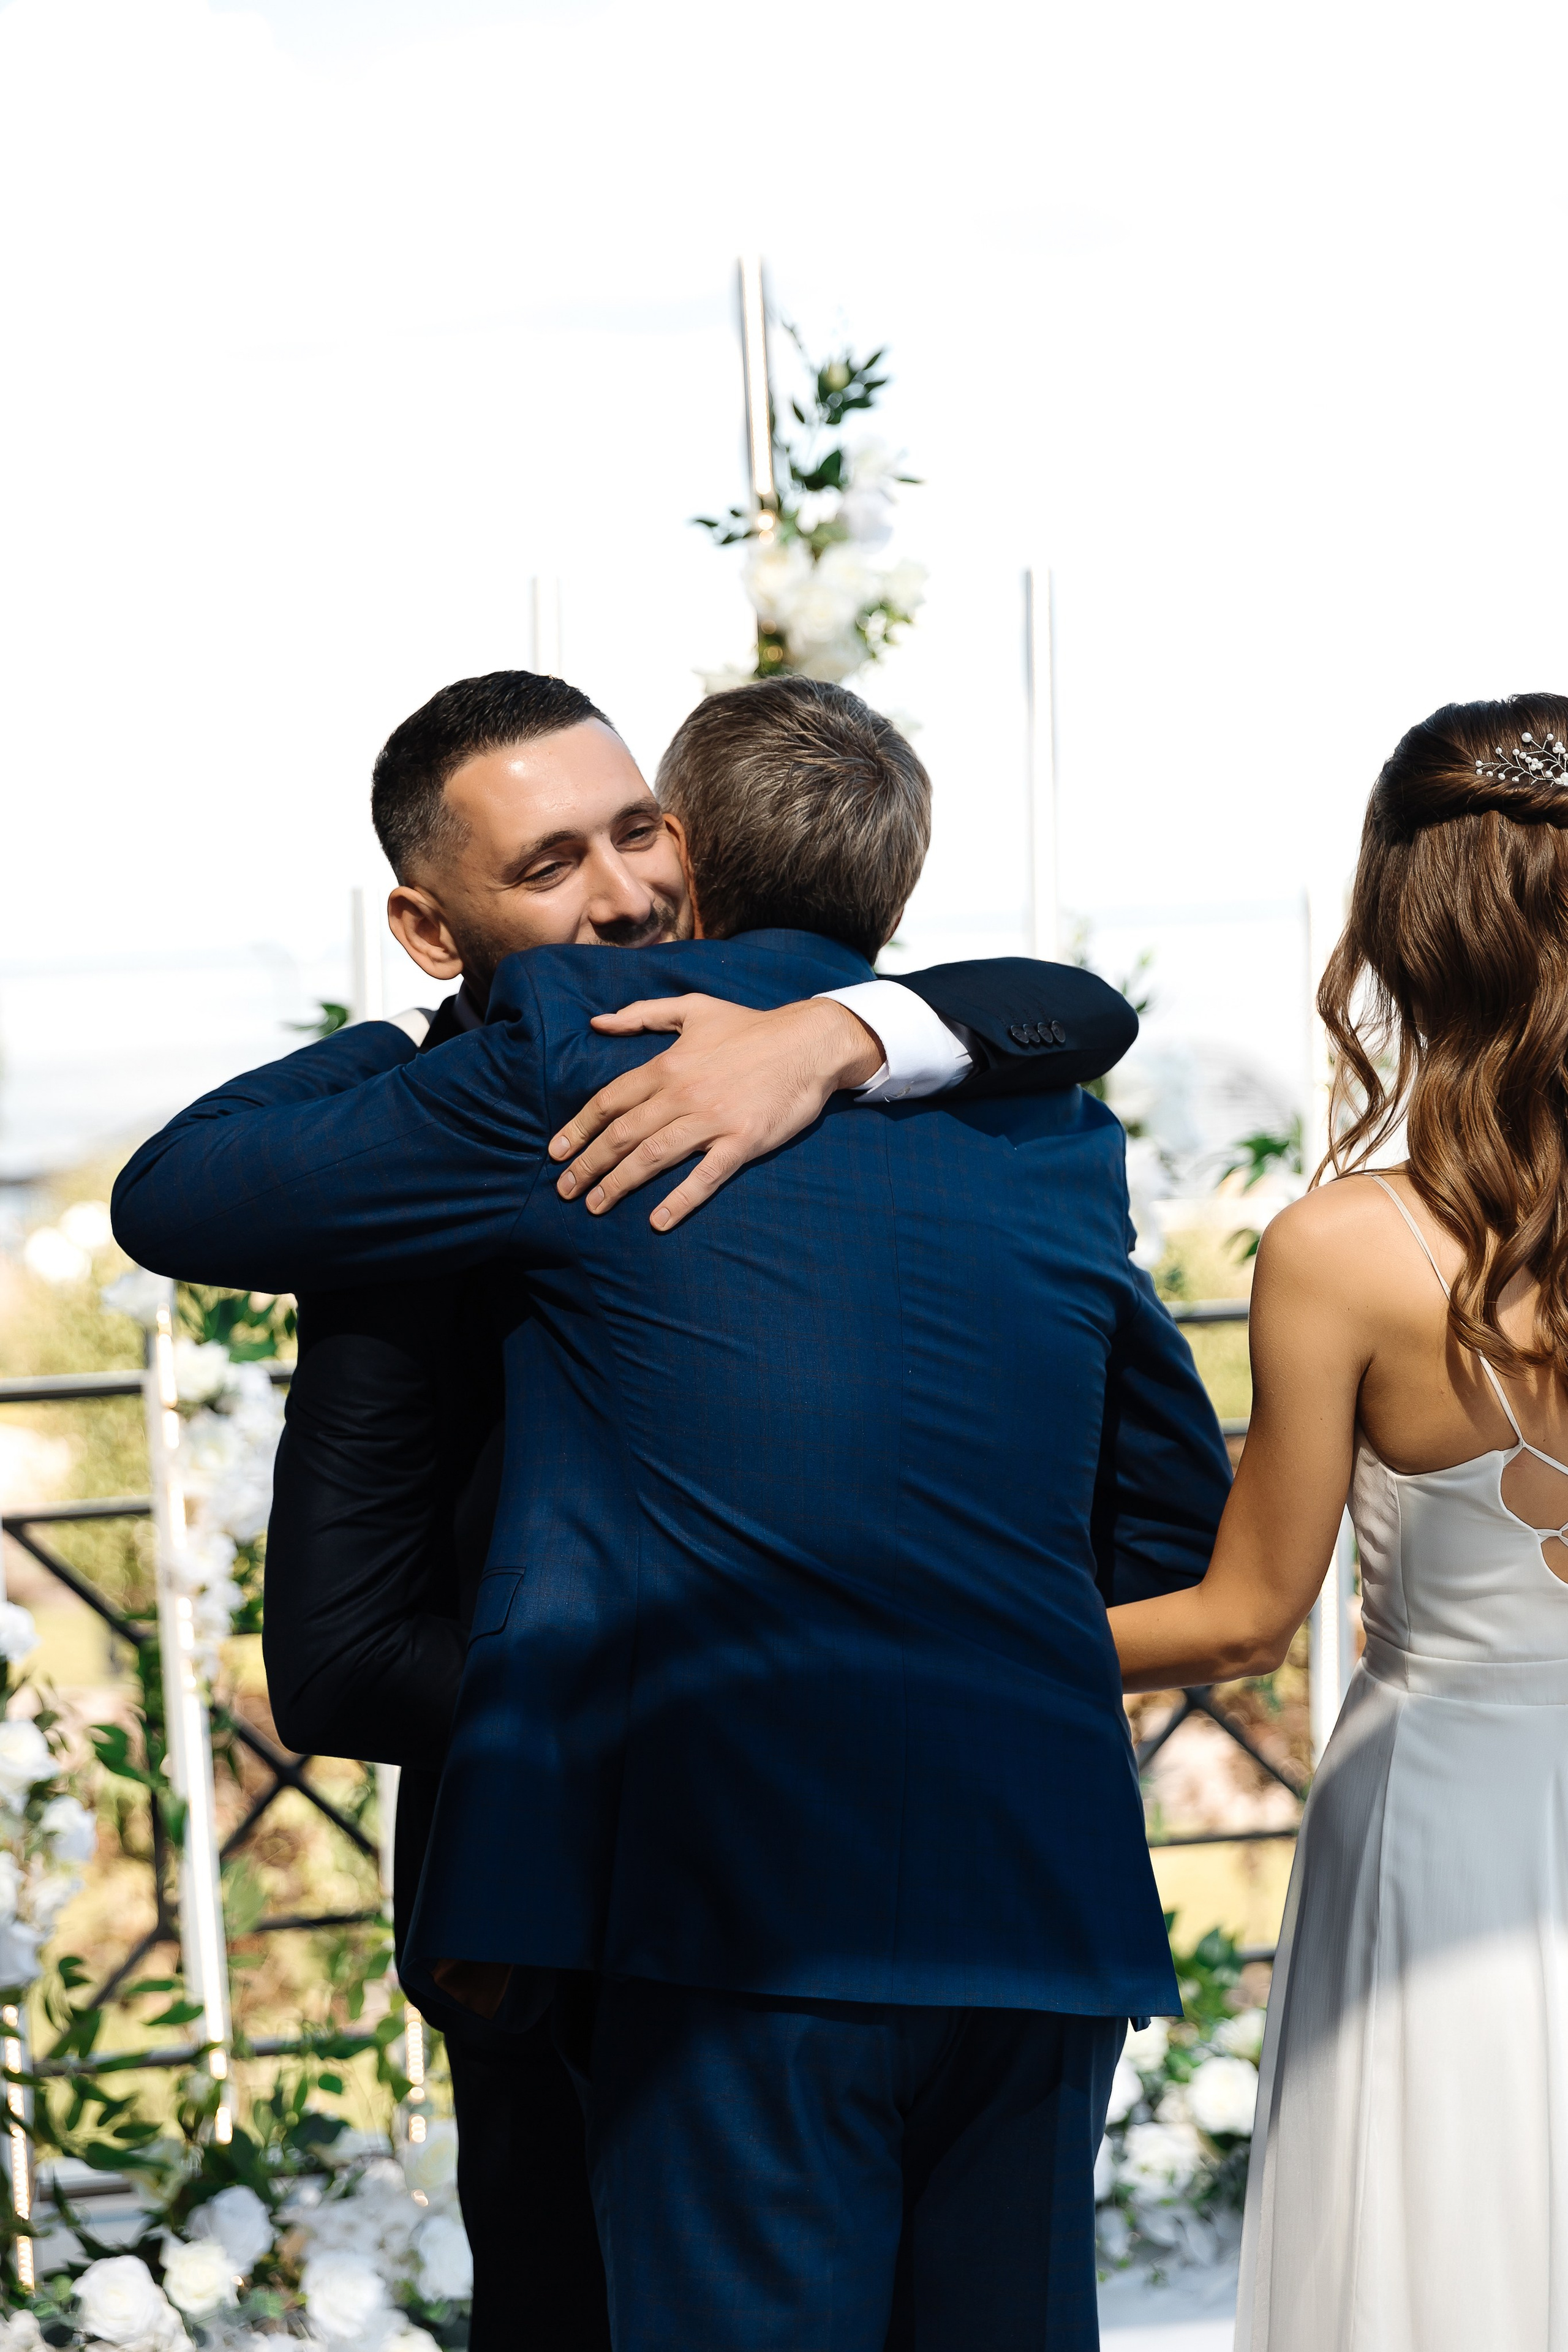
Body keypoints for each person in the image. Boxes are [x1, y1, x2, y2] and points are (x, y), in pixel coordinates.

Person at [114, 676, 1232, 2352]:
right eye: (551, 865)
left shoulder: (852, 1061)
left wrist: (841, 1035)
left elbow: (1066, 1008)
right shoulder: (1034, 1129)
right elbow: (335, 1633)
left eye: (639, 834)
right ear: (430, 929)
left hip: (722, 1917)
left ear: (695, 838)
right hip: (774, 1896)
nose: (626, 894)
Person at [1105, 692, 1568, 2351]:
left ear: (1404, 929)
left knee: (1441, 2247)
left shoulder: (1342, 1249)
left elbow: (1243, 1617)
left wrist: (950, 1644)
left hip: (1441, 1818)